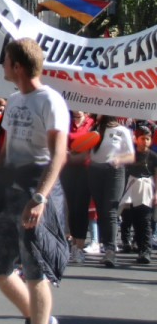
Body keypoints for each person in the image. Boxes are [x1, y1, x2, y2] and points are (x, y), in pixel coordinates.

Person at [0, 38, 69, 324]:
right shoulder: (14, 100)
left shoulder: (50, 101)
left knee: (35, 272)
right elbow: (7, 153)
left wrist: (40, 198)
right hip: (9, 191)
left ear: (17, 66)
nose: (2, 65)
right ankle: (37, 320)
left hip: (37, 193)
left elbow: (58, 154)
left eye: (5, 60)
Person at [87, 115, 134, 267]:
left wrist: (119, 159)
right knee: (101, 210)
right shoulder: (94, 129)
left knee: (110, 210)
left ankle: (110, 250)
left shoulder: (122, 131)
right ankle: (104, 244)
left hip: (114, 171)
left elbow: (131, 155)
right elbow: (86, 149)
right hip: (95, 170)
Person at [120, 122, 157, 264]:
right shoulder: (131, 156)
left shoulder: (153, 157)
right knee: (135, 220)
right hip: (132, 188)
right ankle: (139, 246)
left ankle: (146, 251)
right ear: (136, 139)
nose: (145, 141)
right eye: (142, 138)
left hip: (146, 189)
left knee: (146, 220)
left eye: (147, 139)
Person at [60, 110, 94, 263]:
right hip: (67, 168)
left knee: (81, 207)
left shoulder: (91, 124)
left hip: (85, 170)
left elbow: (92, 146)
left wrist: (75, 154)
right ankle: (73, 243)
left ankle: (80, 246)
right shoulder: (66, 122)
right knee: (71, 208)